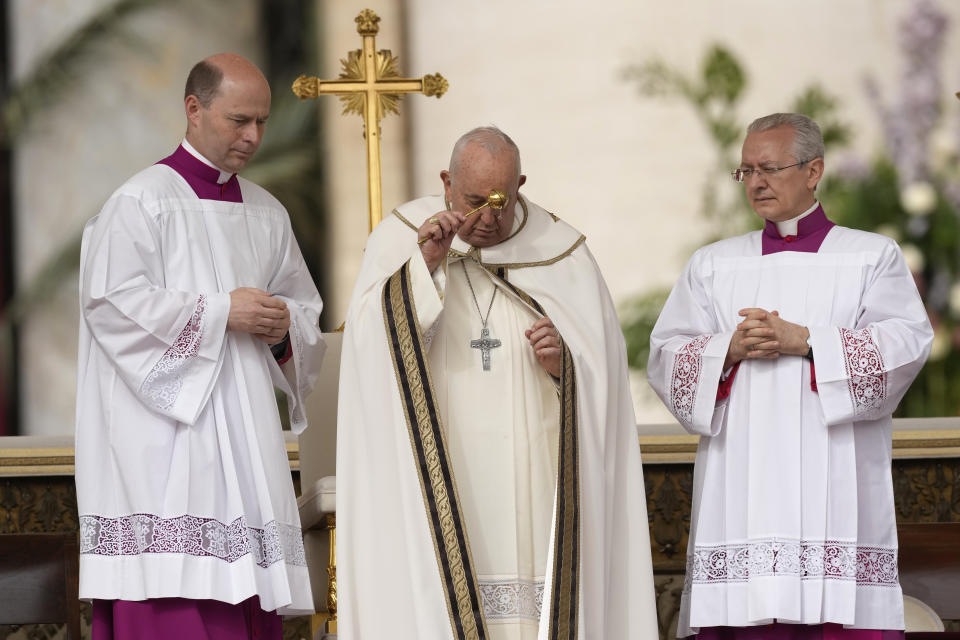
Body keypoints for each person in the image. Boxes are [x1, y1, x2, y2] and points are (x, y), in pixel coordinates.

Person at [336, 126, 657, 639]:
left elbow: (605, 379)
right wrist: (426, 267)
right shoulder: (399, 240)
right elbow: (367, 354)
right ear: (445, 182)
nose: (485, 219)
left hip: (534, 474)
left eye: (499, 202)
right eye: (472, 201)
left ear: (522, 183)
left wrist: (565, 366)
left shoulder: (563, 253)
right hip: (440, 471)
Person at [648, 113, 933, 639]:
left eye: (770, 168)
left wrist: (805, 342)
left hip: (836, 482)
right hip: (743, 485)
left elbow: (906, 345)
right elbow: (666, 357)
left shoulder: (869, 257)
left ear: (813, 170)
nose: (756, 182)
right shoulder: (714, 265)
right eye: (746, 170)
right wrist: (726, 350)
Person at [74, 53, 325, 640]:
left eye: (261, 121)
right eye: (240, 120)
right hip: (167, 449)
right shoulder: (139, 202)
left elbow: (305, 312)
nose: (254, 136)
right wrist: (219, 312)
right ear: (193, 108)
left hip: (246, 444)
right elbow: (110, 305)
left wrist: (281, 325)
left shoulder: (267, 212)